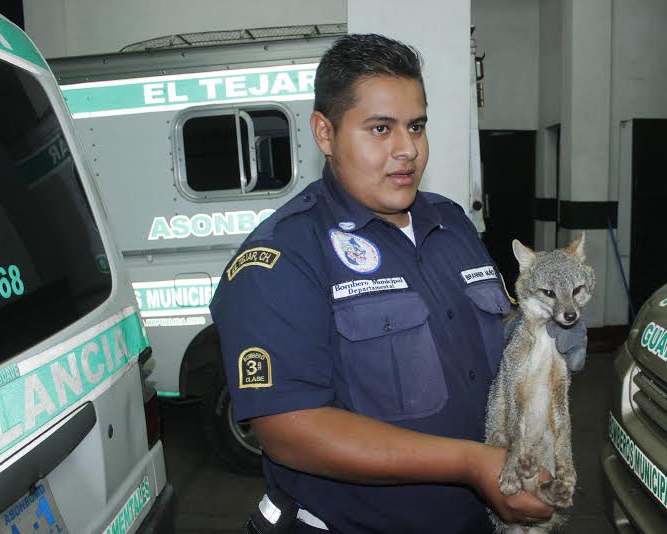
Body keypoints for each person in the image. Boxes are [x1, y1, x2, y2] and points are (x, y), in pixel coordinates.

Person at [210, 34, 582, 533]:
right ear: (325, 132)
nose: (407, 149)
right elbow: (290, 430)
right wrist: (471, 463)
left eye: (416, 126)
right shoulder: (282, 257)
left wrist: (544, 333)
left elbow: (499, 330)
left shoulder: (452, 225)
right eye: (380, 129)